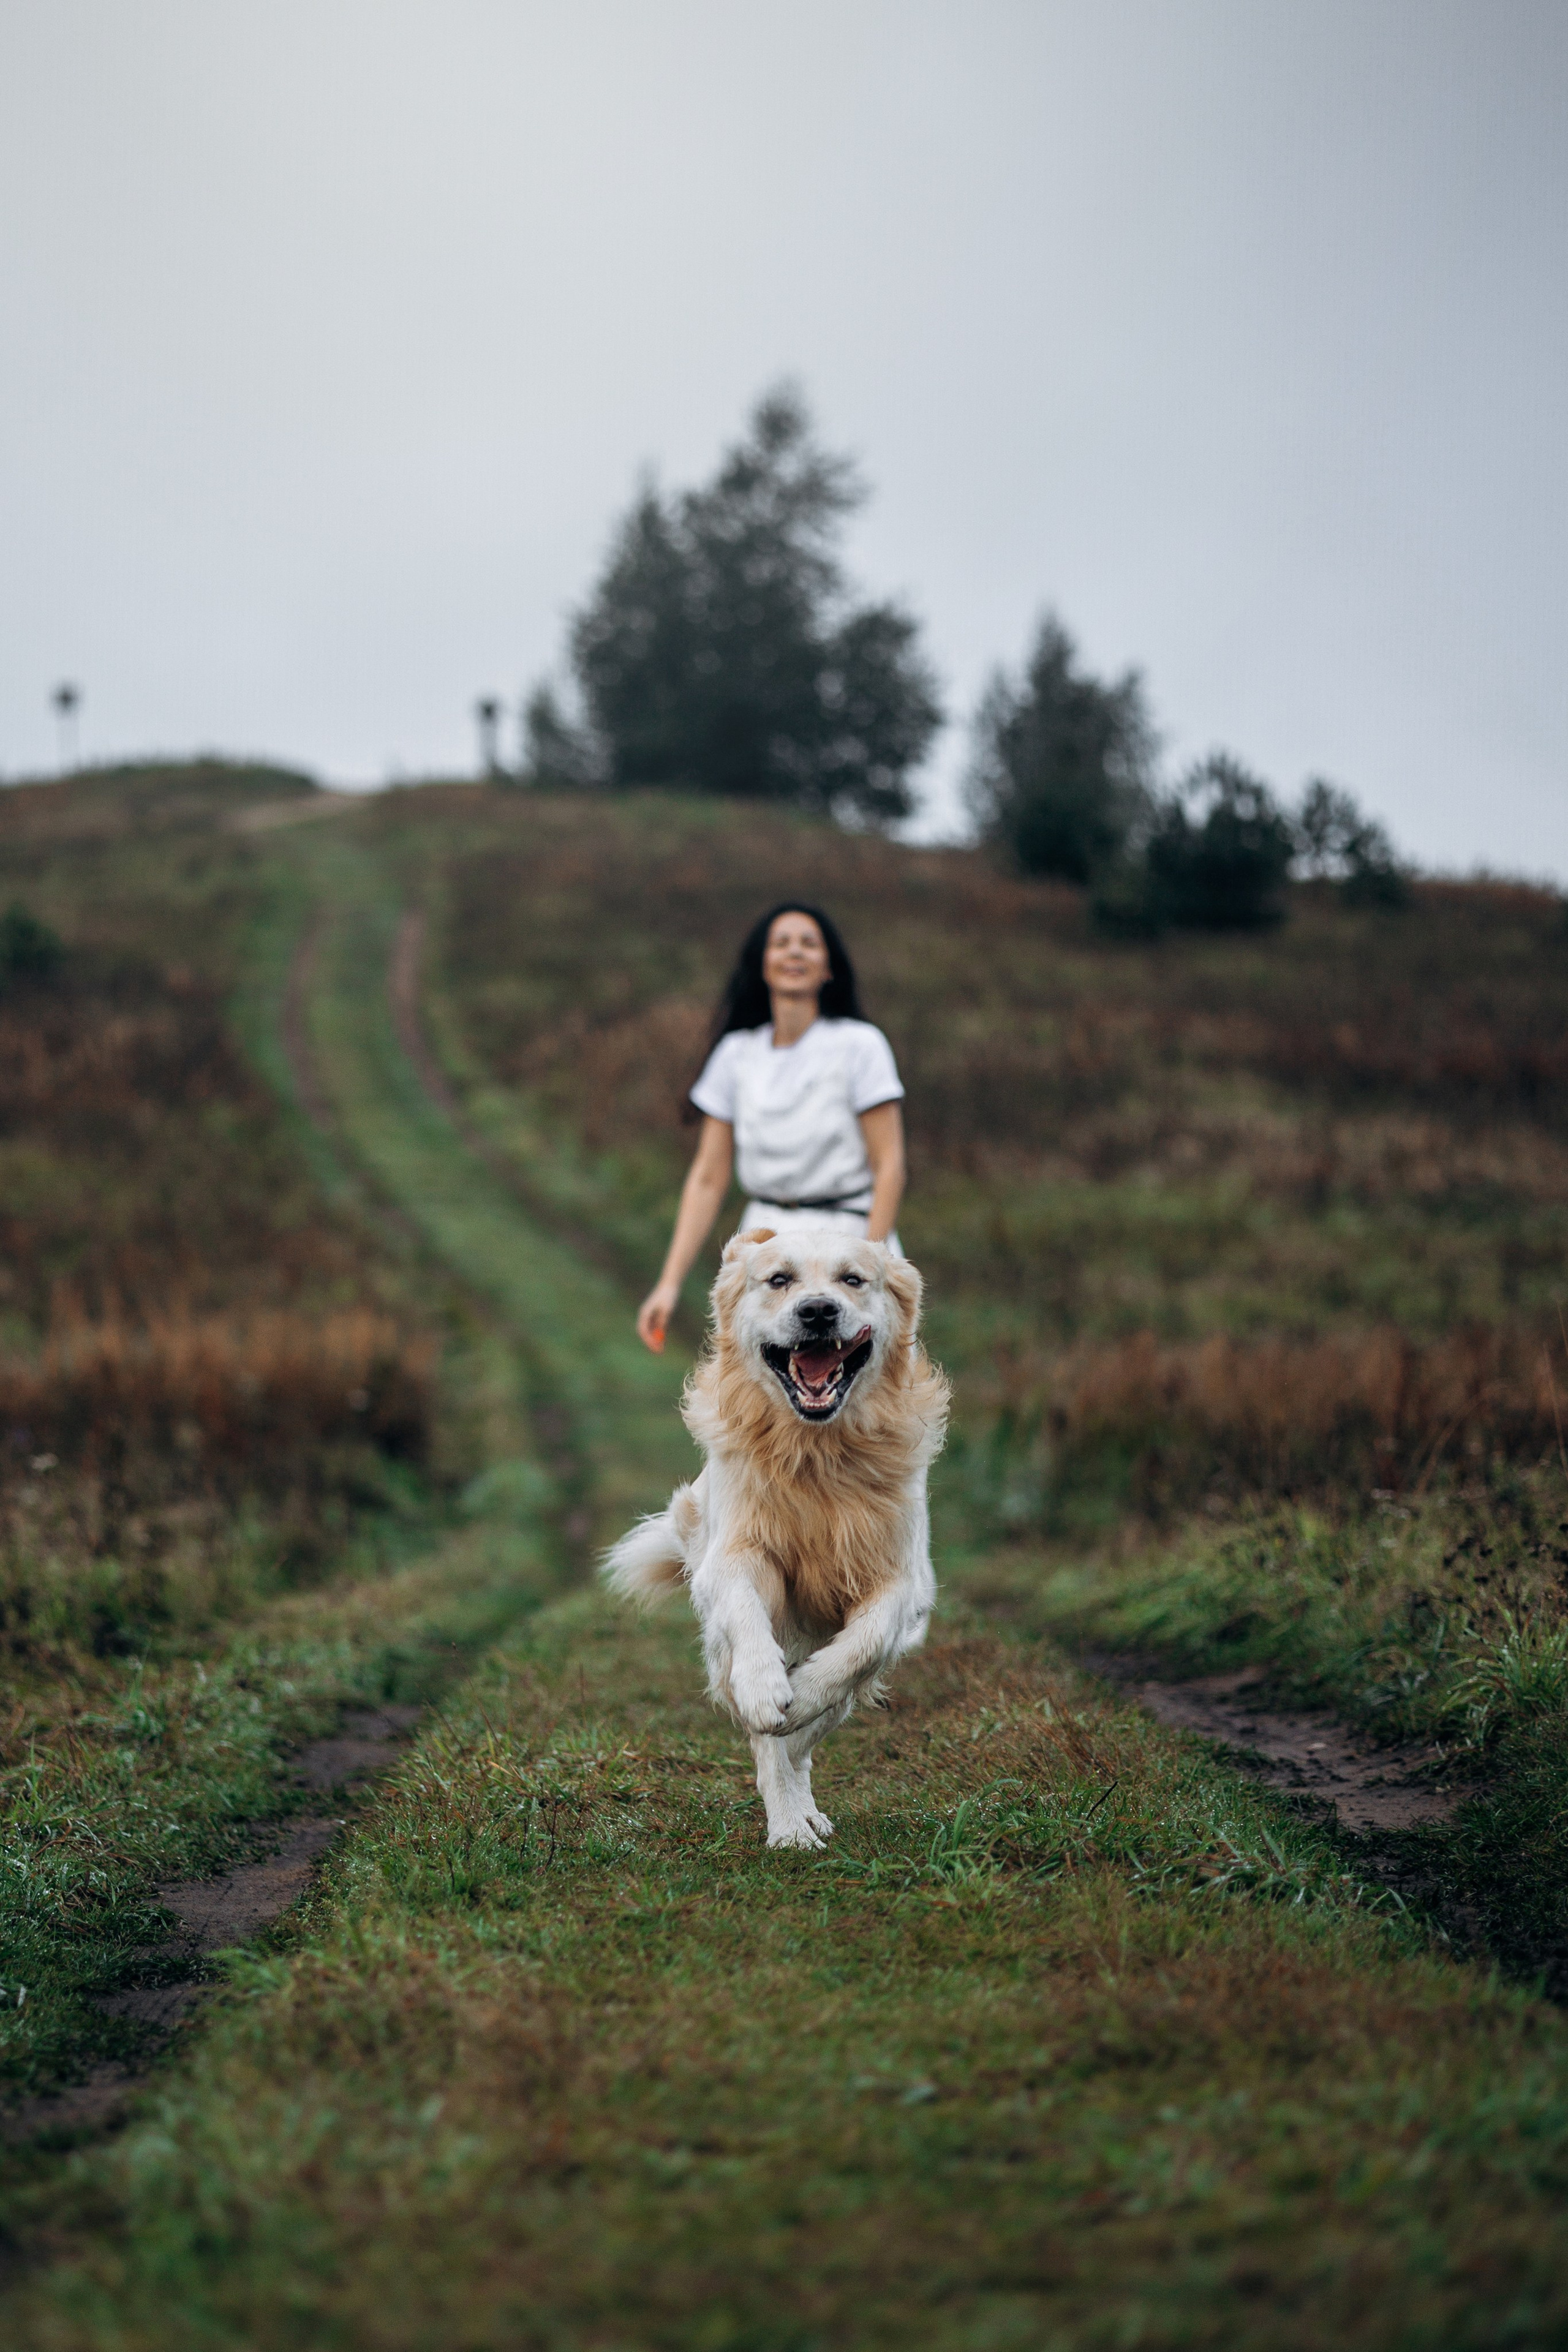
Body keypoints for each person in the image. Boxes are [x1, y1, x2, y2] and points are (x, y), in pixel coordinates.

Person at [635, 903, 906, 1351]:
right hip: (767, 1248)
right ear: (762, 965)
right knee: (759, 1407)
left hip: (850, 1241)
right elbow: (707, 1177)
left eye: (808, 943)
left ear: (829, 967)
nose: (794, 952)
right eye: (781, 943)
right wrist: (669, 1283)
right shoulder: (736, 1054)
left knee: (874, 1410)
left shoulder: (861, 1045)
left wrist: (871, 1272)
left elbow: (890, 1164)